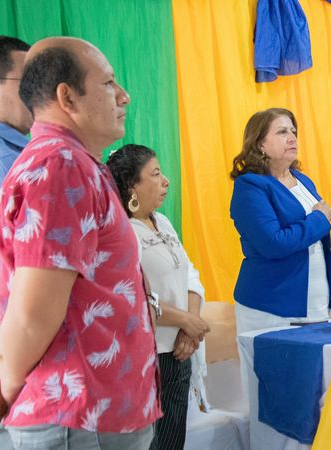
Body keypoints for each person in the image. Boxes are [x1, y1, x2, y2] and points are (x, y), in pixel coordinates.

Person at [0, 37, 161, 449]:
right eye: (108, 83)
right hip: (77, 414)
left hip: (100, 410)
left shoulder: (76, 161)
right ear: (67, 97)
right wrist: (8, 382)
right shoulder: (58, 165)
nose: (124, 96)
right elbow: (33, 312)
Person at [107, 144, 210, 450]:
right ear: (132, 187)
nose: (166, 181)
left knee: (172, 442)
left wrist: (190, 326)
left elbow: (190, 275)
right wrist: (186, 321)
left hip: (181, 350)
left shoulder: (162, 221)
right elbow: (132, 294)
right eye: (155, 174)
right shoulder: (120, 231)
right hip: (148, 356)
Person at [229, 108, 331, 334]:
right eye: (282, 132)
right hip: (272, 307)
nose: (292, 138)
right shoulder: (250, 186)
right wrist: (319, 220)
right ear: (260, 143)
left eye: (293, 131)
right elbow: (273, 243)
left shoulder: (303, 180)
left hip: (315, 303)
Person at [0, 35, 31, 450]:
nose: (38, 94)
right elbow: (35, 261)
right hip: (3, 336)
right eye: (27, 81)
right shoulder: (2, 161)